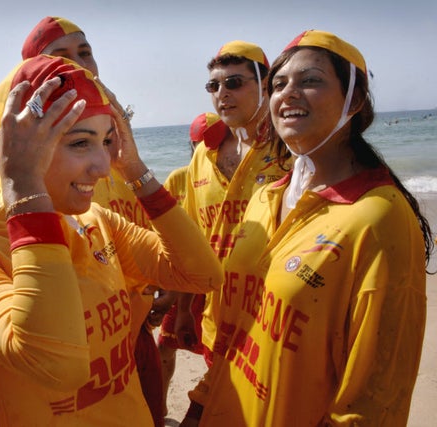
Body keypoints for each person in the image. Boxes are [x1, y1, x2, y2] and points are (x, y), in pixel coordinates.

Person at [0, 54, 223, 426]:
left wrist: (134, 169)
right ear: (14, 150)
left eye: (107, 140)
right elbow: (56, 365)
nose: (102, 166)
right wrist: (25, 187)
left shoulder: (96, 221)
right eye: (81, 143)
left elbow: (203, 276)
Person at [192, 30, 433, 426]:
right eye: (279, 85)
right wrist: (200, 404)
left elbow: (376, 394)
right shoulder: (264, 198)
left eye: (311, 80)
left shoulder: (377, 217)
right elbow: (231, 328)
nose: (288, 94)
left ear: (353, 100)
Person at [17, 17, 172, 425]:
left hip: (136, 331)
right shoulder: (36, 168)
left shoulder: (116, 145)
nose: (80, 65)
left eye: (85, 52)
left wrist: (157, 286)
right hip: (80, 346)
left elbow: (143, 231)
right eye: (62, 57)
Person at [174, 40, 290, 423]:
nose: (222, 94)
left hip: (271, 323)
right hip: (216, 316)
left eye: (234, 83)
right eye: (214, 86)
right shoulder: (202, 157)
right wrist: (184, 307)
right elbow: (190, 236)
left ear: (267, 84)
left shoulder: (292, 152)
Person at [157, 112, 227, 411]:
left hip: (223, 282)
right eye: (199, 146)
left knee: (219, 354)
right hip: (187, 279)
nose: (206, 153)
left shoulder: (234, 178)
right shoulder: (179, 178)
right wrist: (169, 293)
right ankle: (159, 407)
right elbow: (167, 236)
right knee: (165, 345)